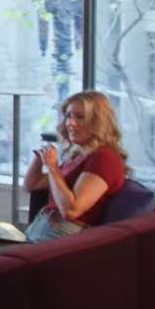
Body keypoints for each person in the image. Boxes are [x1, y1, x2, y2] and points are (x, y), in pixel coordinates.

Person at [22, 90, 127, 242]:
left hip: (62, 233)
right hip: (42, 226)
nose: (70, 123)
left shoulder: (104, 158)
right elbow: (31, 185)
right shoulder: (78, 154)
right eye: (69, 116)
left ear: (98, 122)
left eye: (80, 117)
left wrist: (52, 167)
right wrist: (40, 157)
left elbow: (71, 211)